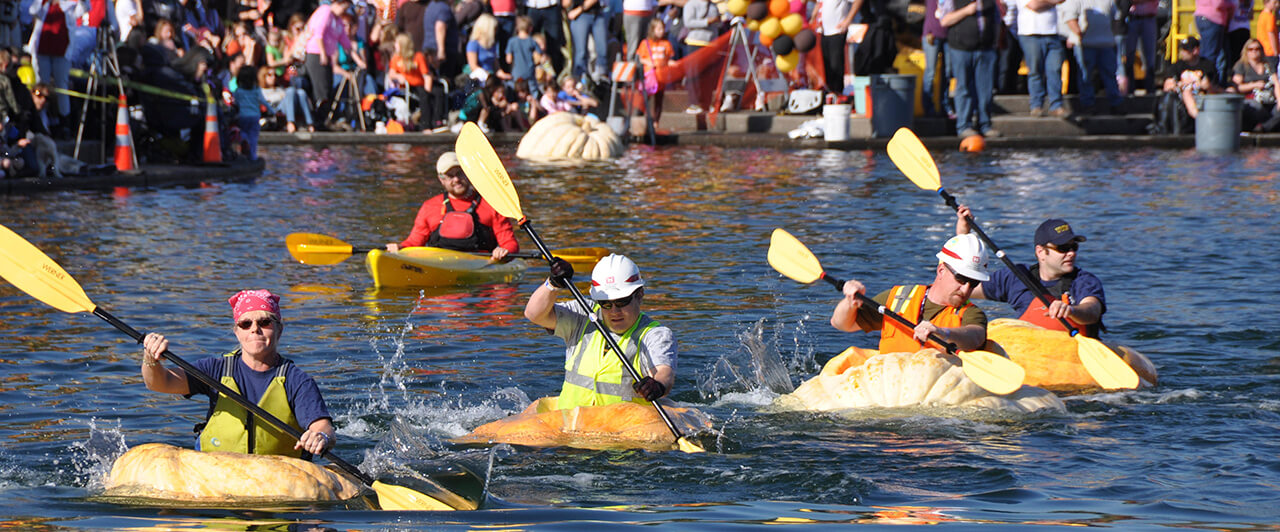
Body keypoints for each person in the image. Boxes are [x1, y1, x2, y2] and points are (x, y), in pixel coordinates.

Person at [139, 290, 335, 459]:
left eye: (265, 322)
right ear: (237, 332)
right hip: (217, 475)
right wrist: (150, 358)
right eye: (245, 324)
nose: (255, 329)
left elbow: (323, 427)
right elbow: (160, 383)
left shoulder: (297, 381)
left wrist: (320, 437)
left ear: (279, 330)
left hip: (276, 480)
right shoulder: (215, 370)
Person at [523, 254, 676, 409]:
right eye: (606, 304)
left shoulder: (655, 334)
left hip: (622, 427)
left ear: (639, 295)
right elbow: (534, 314)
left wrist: (658, 386)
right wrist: (552, 284)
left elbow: (664, 372)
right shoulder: (582, 314)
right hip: (567, 421)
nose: (614, 311)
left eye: (622, 301)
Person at [955, 207, 1106, 337]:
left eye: (1074, 247)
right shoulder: (1017, 276)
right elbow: (961, 287)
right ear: (1040, 252)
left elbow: (1092, 311)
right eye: (1063, 248)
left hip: (1075, 358)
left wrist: (1071, 310)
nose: (1071, 253)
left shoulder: (1084, 281)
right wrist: (963, 235)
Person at [830, 234, 991, 353]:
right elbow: (842, 324)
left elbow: (975, 337)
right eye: (961, 279)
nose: (966, 289)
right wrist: (850, 301)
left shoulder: (971, 313)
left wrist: (943, 332)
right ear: (941, 270)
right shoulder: (898, 297)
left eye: (974, 283)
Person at [385, 151, 519, 259]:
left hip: (482, 266)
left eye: (460, 173)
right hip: (439, 265)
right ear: (441, 179)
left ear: (467, 173)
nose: (456, 180)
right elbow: (414, 243)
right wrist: (400, 247)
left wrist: (504, 251)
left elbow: (510, 242)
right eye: (450, 176)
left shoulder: (491, 204)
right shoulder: (430, 206)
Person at [939, 0, 1000, 138]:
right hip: (960, 48)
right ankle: (964, 126)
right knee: (963, 88)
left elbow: (997, 20)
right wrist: (966, 11)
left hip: (986, 49)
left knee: (985, 91)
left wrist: (994, 43)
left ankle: (985, 125)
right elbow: (945, 20)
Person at [1061, 0, 1125, 115]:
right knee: (1085, 76)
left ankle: (1116, 103)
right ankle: (1088, 105)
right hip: (1085, 45)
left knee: (1110, 74)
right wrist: (1080, 35)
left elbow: (1116, 17)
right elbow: (1070, 19)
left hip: (1106, 44)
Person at [1005, 0, 1066, 117]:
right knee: (1036, 71)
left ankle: (1056, 105)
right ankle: (1036, 105)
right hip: (1030, 34)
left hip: (1053, 33)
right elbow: (1034, 5)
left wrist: (1047, 2)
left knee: (1055, 70)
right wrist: (1053, 2)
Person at [1152, 36, 1217, 133]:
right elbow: (1167, 86)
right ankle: (1199, 118)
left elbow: (1210, 86)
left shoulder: (1207, 65)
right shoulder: (1177, 65)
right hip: (1182, 95)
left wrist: (1202, 85)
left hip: (1202, 95)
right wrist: (1182, 84)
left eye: (1185, 50)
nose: (1182, 52)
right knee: (1187, 92)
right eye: (1181, 49)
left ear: (1195, 51)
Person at [1231, 39, 1280, 131]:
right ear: (1246, 51)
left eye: (1257, 49)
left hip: (1270, 99)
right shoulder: (1241, 65)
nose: (1254, 51)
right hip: (1252, 100)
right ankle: (1268, 125)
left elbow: (1276, 83)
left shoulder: (1268, 65)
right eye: (1251, 49)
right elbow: (1237, 87)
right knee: (1257, 107)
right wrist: (1254, 85)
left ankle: (1264, 127)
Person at [1194, 0, 1236, 86]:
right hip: (1213, 18)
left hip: (1201, 16)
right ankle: (1208, 83)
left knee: (1205, 52)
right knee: (1211, 54)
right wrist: (1231, 5)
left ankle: (1203, 81)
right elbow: (1219, 3)